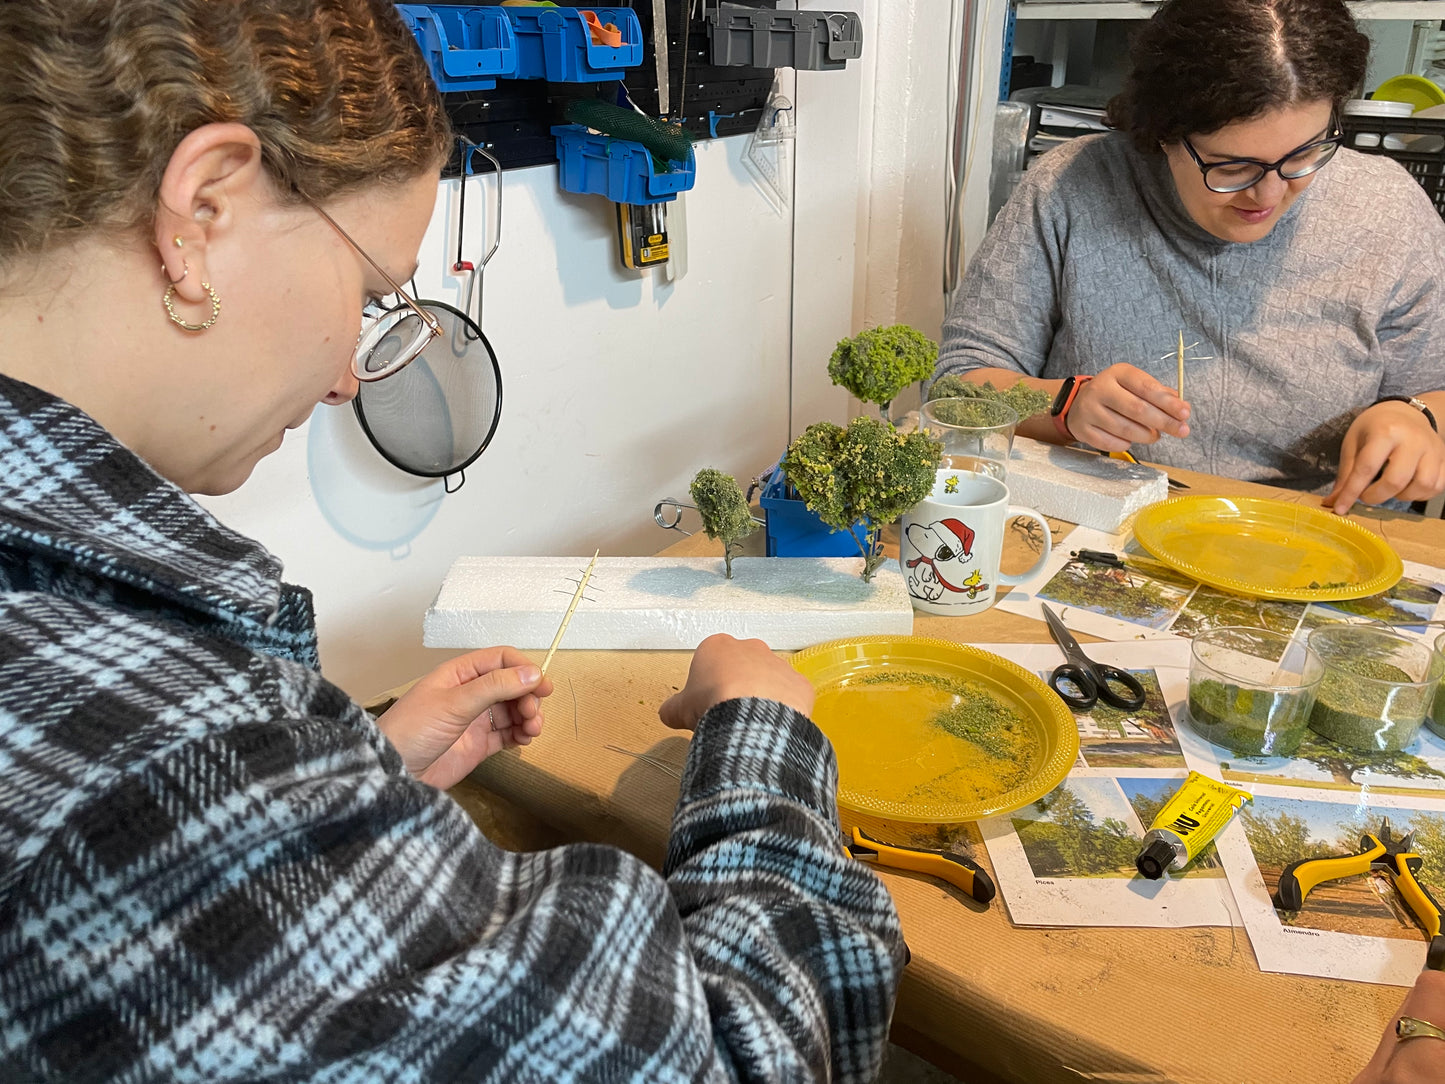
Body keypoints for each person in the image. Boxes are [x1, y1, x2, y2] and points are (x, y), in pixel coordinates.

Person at [0, 2, 904, 1080]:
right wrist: (763, 741)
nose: (347, 379)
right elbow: (725, 1057)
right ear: (203, 209)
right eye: (369, 294)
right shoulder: (164, 768)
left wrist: (345, 779)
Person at [936, 0, 1445, 516]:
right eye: (1232, 166)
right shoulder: (1072, 188)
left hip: (1316, 523)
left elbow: (1436, 388)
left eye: (1305, 154)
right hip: (1105, 513)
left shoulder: (1387, 211)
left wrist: (1417, 417)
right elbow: (961, 380)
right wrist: (1063, 405)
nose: (1269, 194)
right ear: (1162, 132)